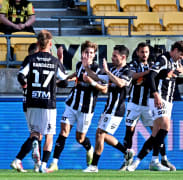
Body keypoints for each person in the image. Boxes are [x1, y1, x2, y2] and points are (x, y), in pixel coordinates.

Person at [127, 40, 183, 172]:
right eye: (181, 55)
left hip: (168, 100)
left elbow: (172, 80)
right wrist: (155, 94)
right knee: (166, 126)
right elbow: (151, 77)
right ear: (176, 50)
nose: (182, 58)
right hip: (159, 98)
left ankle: (136, 162)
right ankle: (155, 160)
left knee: (155, 133)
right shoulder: (163, 59)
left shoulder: (175, 62)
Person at [47, 41, 108, 172]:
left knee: (79, 138)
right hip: (72, 104)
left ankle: (89, 148)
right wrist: (64, 80)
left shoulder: (98, 70)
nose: (89, 55)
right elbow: (76, 74)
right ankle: (54, 163)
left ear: (94, 55)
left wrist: (91, 81)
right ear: (82, 53)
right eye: (86, 52)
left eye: (91, 53)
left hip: (86, 109)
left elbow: (104, 89)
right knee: (63, 131)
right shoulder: (79, 64)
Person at [119, 42, 175, 171]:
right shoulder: (133, 64)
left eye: (146, 52)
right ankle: (126, 161)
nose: (144, 54)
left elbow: (157, 76)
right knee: (129, 132)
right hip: (134, 103)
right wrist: (148, 74)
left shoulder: (153, 64)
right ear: (137, 52)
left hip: (148, 105)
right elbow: (132, 76)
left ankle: (163, 158)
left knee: (158, 131)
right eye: (142, 52)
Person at [17, 30, 68, 173]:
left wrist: (26, 86)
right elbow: (64, 82)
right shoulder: (54, 61)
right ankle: (43, 165)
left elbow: (21, 76)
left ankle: (33, 145)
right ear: (50, 44)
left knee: (35, 132)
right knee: (49, 135)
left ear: (38, 43)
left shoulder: (30, 58)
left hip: (32, 101)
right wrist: (54, 82)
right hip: (48, 103)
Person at [83, 45, 134, 173]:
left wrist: (107, 71)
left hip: (116, 108)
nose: (112, 58)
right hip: (109, 107)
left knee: (100, 133)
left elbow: (121, 83)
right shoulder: (113, 69)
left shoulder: (128, 71)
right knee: (103, 135)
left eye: (115, 56)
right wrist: (86, 67)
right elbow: (97, 77)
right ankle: (126, 152)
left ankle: (94, 166)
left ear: (123, 57)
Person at [10, 43, 40, 173]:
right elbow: (21, 78)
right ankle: (22, 160)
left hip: (26, 102)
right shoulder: (32, 62)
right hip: (36, 100)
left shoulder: (27, 63)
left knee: (36, 134)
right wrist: (26, 87)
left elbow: (21, 76)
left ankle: (24, 161)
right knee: (37, 134)